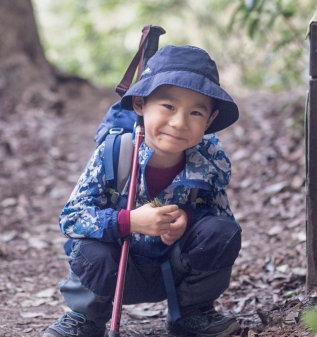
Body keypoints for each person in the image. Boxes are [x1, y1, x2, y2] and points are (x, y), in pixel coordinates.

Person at [43, 45, 242, 337]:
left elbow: (219, 220)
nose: (179, 122)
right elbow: (71, 219)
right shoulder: (115, 153)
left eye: (196, 112)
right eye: (168, 107)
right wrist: (129, 221)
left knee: (222, 232)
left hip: (176, 271)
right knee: (89, 249)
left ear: (210, 121)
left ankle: (190, 315)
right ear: (140, 104)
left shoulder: (209, 161)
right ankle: (87, 317)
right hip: (119, 270)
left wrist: (188, 219)